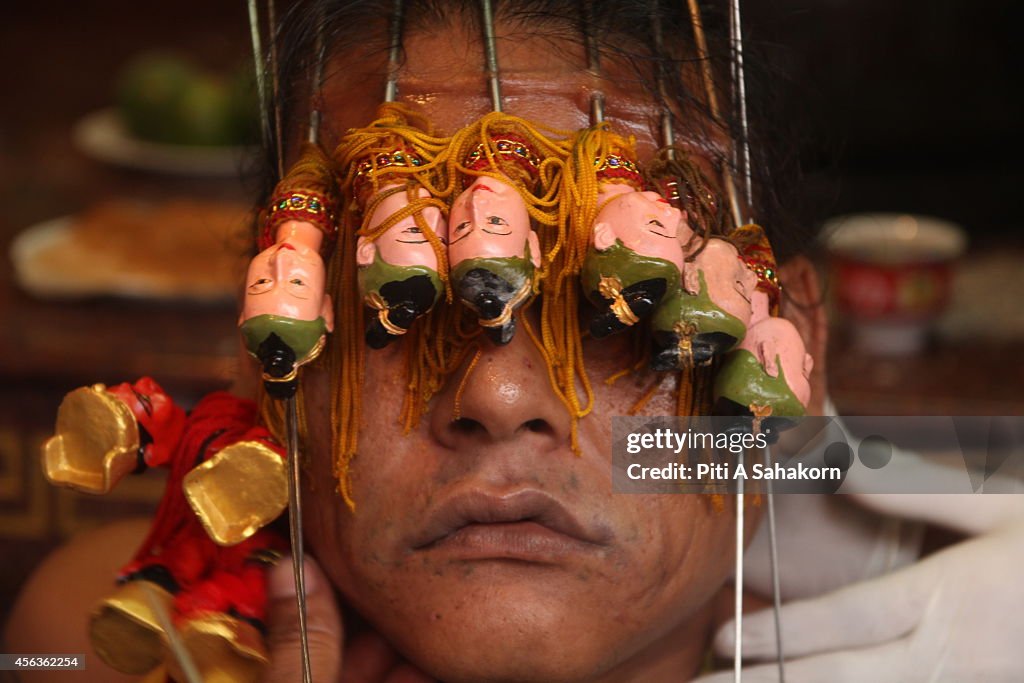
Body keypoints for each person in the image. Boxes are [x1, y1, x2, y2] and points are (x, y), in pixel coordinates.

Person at [7, 2, 1022, 682]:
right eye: (388, 310)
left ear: (790, 341)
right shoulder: (134, 641)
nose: (496, 398)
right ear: (261, 356)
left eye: (612, 308)